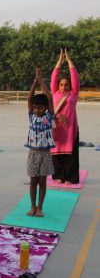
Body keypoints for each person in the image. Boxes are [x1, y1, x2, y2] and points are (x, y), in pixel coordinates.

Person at [26, 68, 55, 217]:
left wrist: (42, 82)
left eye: (40, 108)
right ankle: (32, 206)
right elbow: (30, 98)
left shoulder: (49, 116)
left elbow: (49, 97)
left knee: (42, 181)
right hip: (33, 153)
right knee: (33, 181)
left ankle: (40, 207)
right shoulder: (31, 116)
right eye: (36, 107)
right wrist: (34, 83)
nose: (37, 110)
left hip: (45, 153)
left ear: (45, 108)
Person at [50, 49, 80, 185]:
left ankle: (70, 177)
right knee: (56, 153)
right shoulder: (55, 93)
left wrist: (68, 60)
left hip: (70, 129)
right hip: (57, 128)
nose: (63, 86)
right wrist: (59, 61)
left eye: (66, 84)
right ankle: (59, 176)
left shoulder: (73, 94)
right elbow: (53, 77)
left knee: (71, 155)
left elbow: (75, 78)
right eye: (61, 84)